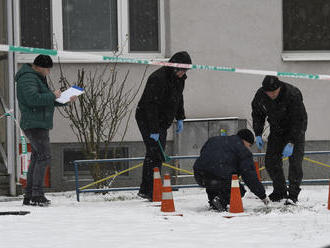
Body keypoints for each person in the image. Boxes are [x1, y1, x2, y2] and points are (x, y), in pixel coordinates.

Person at [16, 54, 77, 206]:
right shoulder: (28, 78)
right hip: (34, 123)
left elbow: (45, 99)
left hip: (38, 122)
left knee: (38, 158)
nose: (48, 72)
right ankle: (36, 195)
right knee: (43, 157)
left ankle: (30, 195)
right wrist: (52, 95)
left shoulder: (35, 77)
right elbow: (33, 99)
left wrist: (64, 100)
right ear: (39, 67)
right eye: (47, 69)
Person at [135, 51, 192, 200]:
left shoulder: (180, 79)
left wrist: (180, 117)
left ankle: (150, 189)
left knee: (158, 154)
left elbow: (179, 98)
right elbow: (150, 105)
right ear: (174, 67)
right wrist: (153, 129)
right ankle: (149, 190)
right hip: (147, 118)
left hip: (162, 121)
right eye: (182, 70)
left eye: (186, 71)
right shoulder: (157, 78)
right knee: (154, 152)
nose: (184, 74)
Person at [251, 75, 307, 204]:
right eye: (268, 93)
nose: (271, 95)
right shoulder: (261, 95)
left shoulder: (292, 94)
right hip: (277, 131)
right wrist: (258, 133)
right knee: (270, 161)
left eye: (274, 92)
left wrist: (292, 142)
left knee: (295, 163)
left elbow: (300, 120)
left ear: (279, 87)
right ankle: (280, 191)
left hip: (295, 131)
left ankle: (293, 194)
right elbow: (257, 114)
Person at [193, 129, 269, 211]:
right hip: (219, 176)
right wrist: (262, 195)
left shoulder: (213, 140)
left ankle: (214, 202)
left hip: (200, 174)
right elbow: (249, 175)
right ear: (245, 140)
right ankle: (221, 200)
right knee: (239, 189)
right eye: (249, 145)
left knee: (213, 180)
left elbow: (205, 155)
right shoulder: (242, 150)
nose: (249, 148)